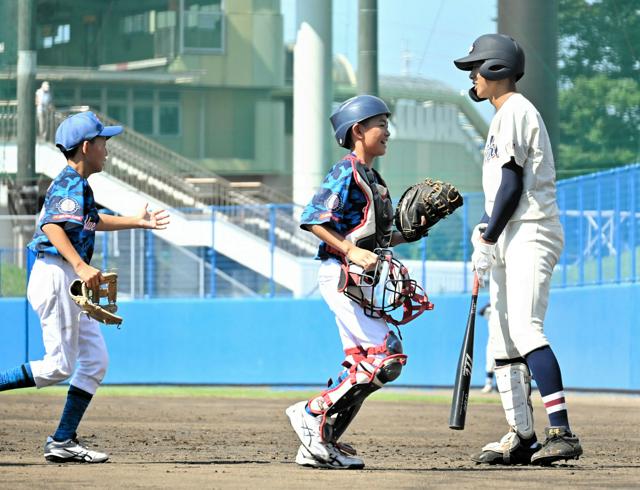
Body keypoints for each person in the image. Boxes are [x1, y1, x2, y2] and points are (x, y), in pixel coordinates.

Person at [0, 111, 170, 463]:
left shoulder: (78, 185)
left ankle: (62, 441)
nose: (108, 150)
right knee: (59, 366)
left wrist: (137, 222)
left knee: (94, 361)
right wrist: (80, 264)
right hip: (57, 275)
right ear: (87, 146)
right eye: (104, 143)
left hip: (68, 277)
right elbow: (51, 226)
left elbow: (90, 220)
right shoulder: (68, 183)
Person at [454, 34, 583, 466]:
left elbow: (511, 186)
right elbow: (503, 194)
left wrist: (488, 236)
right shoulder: (501, 117)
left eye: (476, 66)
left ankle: (561, 432)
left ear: (495, 69)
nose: (472, 75)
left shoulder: (514, 110)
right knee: (502, 341)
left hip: (530, 230)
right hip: (510, 231)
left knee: (526, 330)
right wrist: (487, 233)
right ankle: (523, 435)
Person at [286, 95, 411, 470]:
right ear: (358, 130)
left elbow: (372, 238)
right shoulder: (347, 169)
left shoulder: (372, 176)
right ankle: (310, 413)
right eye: (381, 124)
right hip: (341, 275)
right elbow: (312, 218)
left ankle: (318, 443)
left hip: (360, 277)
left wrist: (412, 230)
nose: (387, 131)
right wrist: (348, 250)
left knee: (364, 366)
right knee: (385, 355)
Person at [478, 302, 497, 393]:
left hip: (504, 340)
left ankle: (499, 387)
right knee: (490, 364)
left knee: (502, 364)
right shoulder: (490, 310)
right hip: (492, 341)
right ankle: (488, 384)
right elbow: (480, 312)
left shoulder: (507, 308)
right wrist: (490, 303)